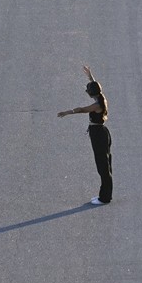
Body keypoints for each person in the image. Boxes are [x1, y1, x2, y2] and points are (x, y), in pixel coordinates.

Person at [56, 64, 112, 205]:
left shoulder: (97, 105)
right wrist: (90, 76)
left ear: (91, 94)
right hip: (100, 133)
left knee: (102, 166)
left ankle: (105, 198)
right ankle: (103, 195)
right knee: (103, 165)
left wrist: (66, 112)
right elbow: (96, 89)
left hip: (98, 135)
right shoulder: (100, 97)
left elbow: (82, 109)